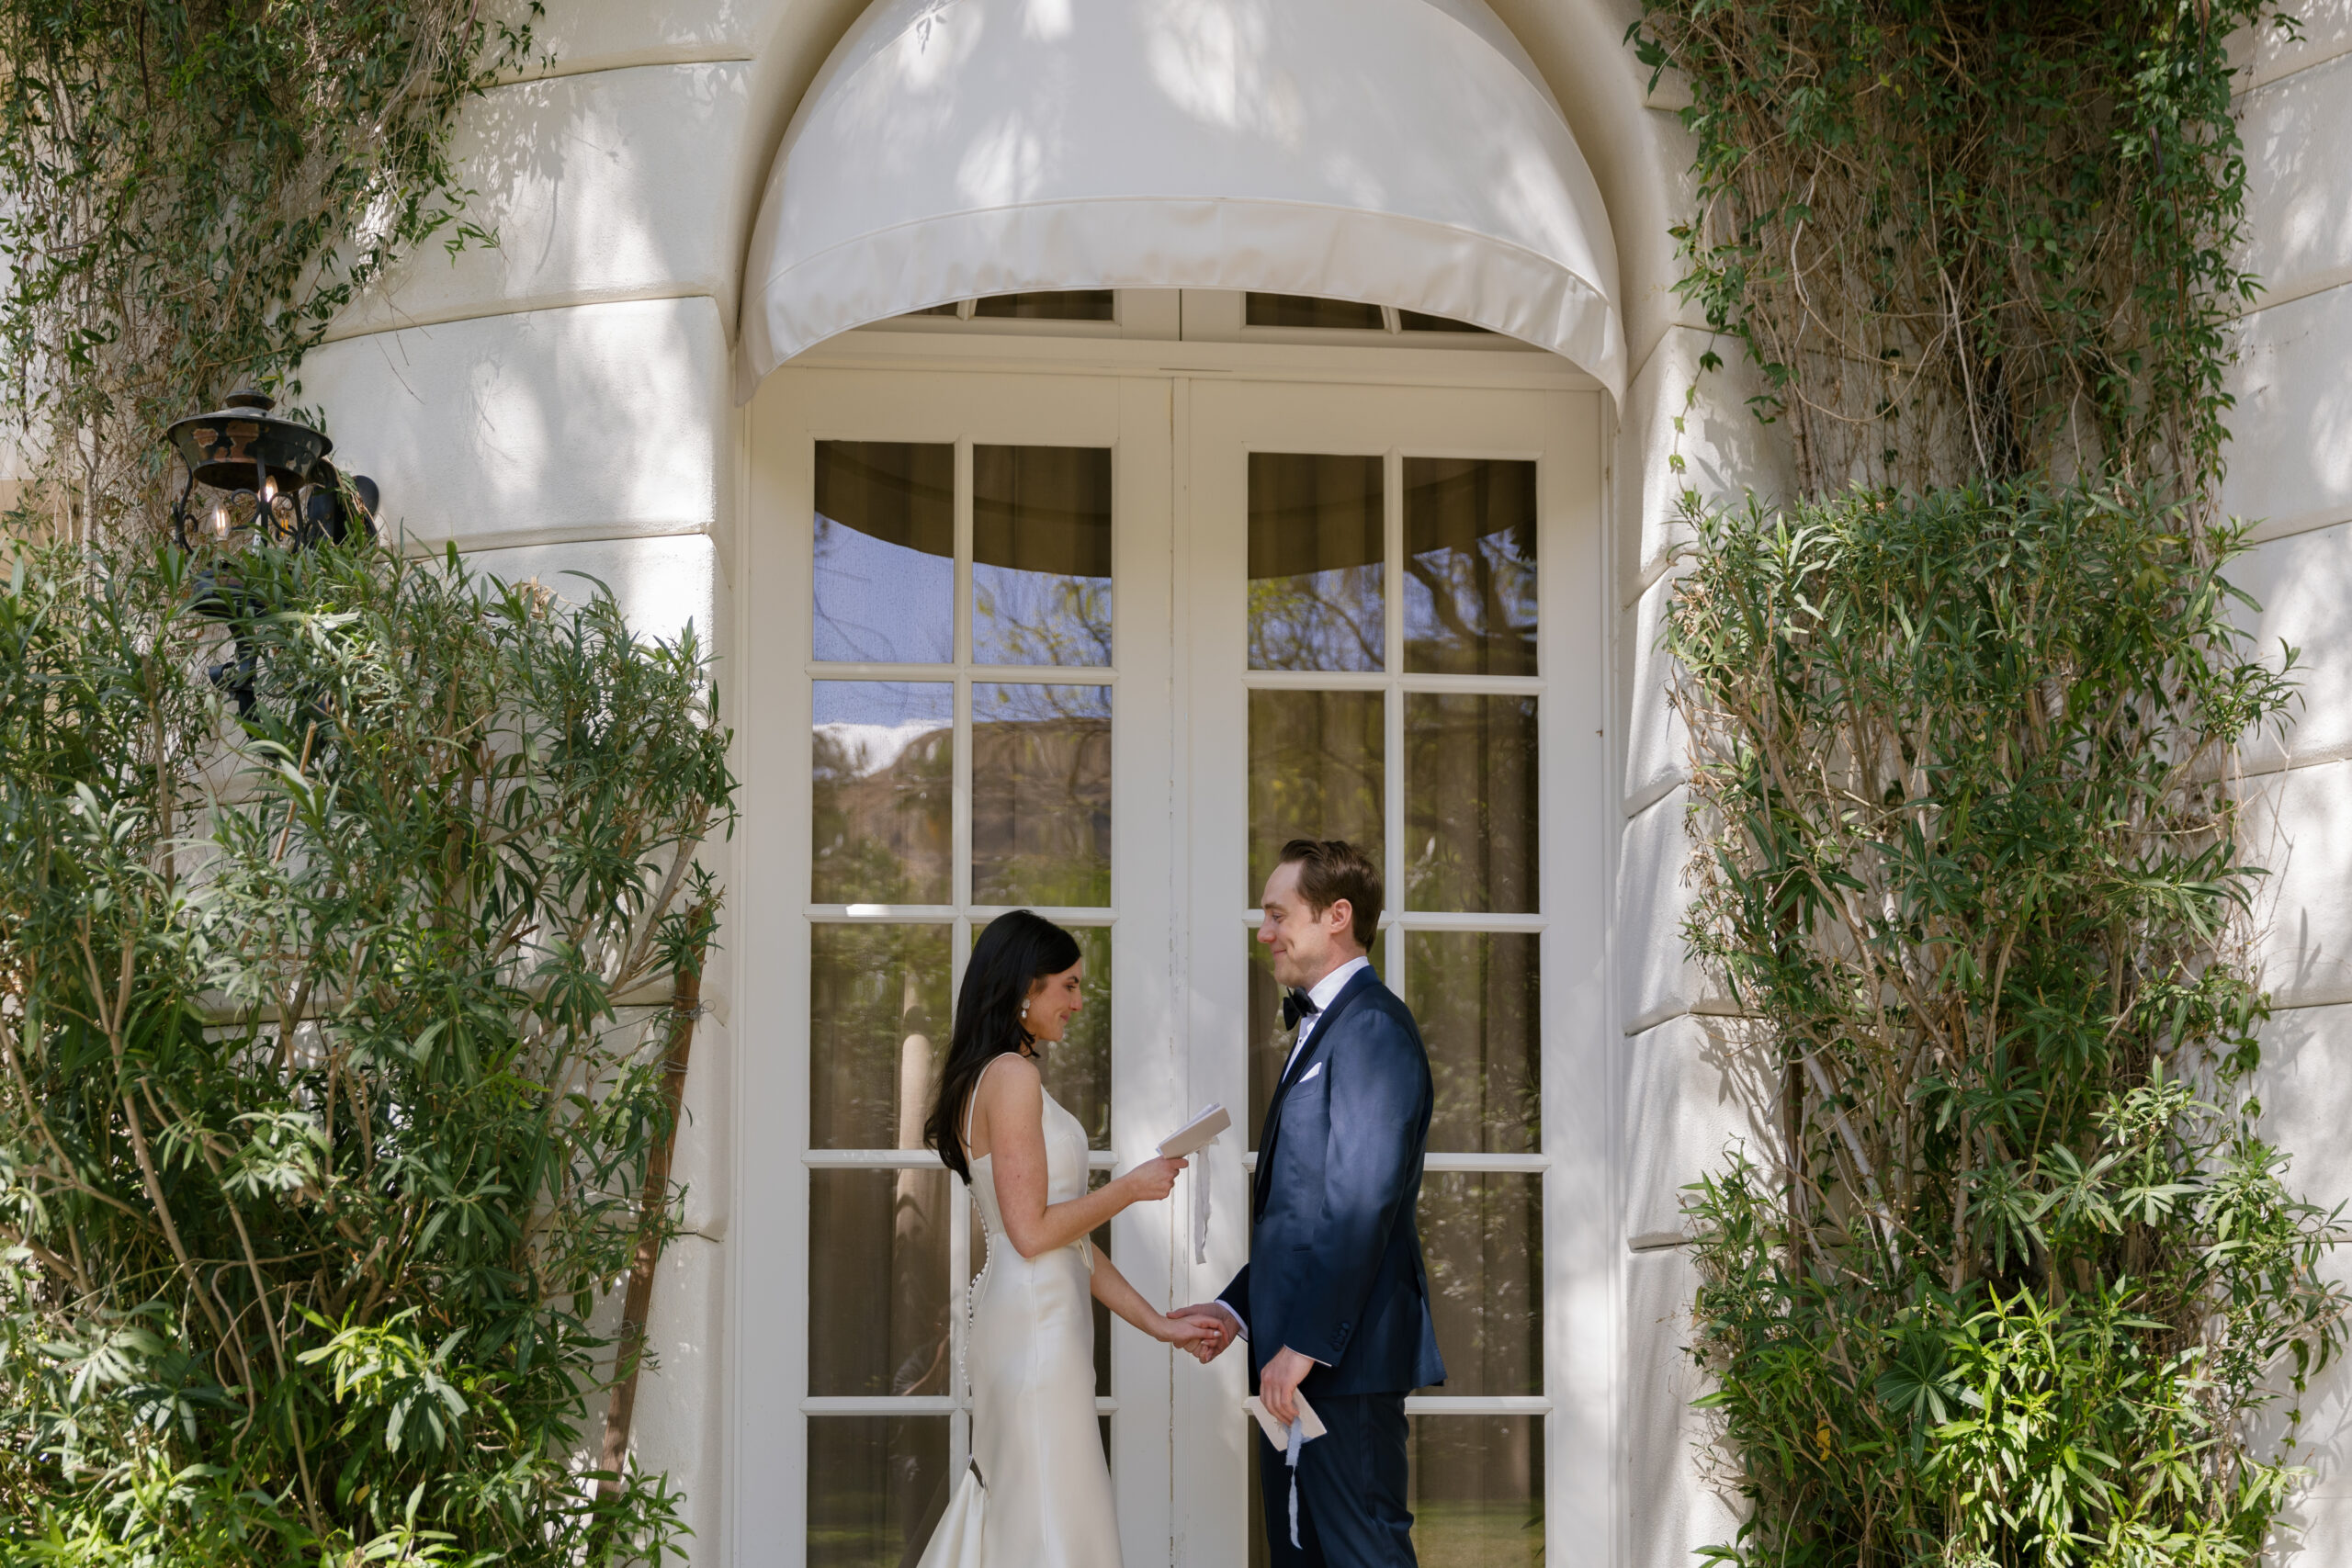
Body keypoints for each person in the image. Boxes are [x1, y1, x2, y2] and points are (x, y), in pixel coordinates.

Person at [1172, 839, 1445, 1567]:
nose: (1264, 932)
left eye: (1277, 913)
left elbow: (1360, 1202)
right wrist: (1236, 1310)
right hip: (1295, 1362)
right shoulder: (1324, 1027)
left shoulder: (1373, 1029)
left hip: (1339, 1368)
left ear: (1337, 916)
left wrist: (1306, 1344)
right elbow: (1300, 1219)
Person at [917, 910, 1216, 1568]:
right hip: (1033, 1332)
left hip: (1042, 1321)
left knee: (1044, 1508)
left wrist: (1159, 1324)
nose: (1079, 1002)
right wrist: (1131, 1187)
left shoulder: (995, 1075)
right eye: (1069, 985)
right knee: (1050, 1516)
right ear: (1026, 986)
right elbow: (1033, 1233)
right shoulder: (1012, 1078)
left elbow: (1069, 1243)